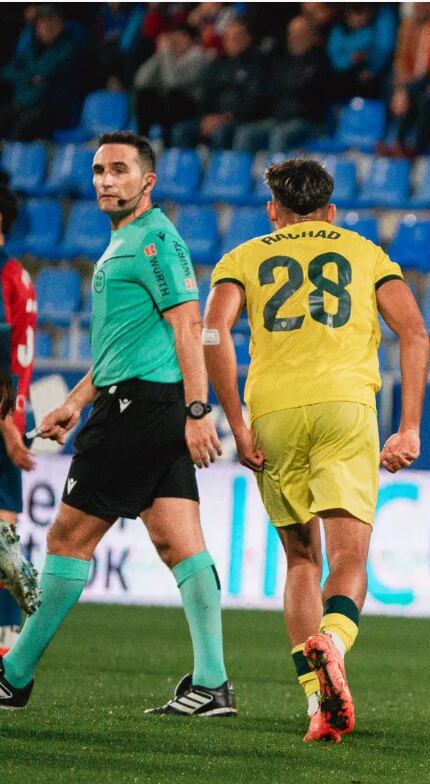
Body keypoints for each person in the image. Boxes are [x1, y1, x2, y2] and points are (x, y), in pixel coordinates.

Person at [0, 133, 233, 714]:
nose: (107, 180)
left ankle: (13, 675)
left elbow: (188, 325)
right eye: (100, 170)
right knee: (178, 542)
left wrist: (200, 411)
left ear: (147, 181)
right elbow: (121, 346)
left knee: (66, 539)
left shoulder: (154, 239)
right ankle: (211, 682)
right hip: (141, 405)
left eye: (120, 170)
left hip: (140, 411)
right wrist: (76, 402)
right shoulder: (124, 241)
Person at [203, 158, 428, 743]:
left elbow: (212, 332)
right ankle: (335, 639)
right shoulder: (365, 252)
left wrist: (234, 420)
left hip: (274, 411)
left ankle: (315, 702)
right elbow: (416, 332)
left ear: (272, 211)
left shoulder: (242, 258)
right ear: (331, 211)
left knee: (301, 558)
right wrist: (408, 427)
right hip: (346, 408)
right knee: (348, 556)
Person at [0, 183, 37, 652]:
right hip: (12, 413)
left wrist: (7, 429)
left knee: (3, 532)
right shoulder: (18, 275)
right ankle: (10, 632)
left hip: (2, 417)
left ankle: (11, 632)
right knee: (4, 526)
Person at [233, 15, 332, 153]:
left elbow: (309, 92)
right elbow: (273, 88)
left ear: (311, 36)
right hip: (279, 119)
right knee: (246, 133)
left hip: (307, 122)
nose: (294, 38)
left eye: (300, 34)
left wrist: (290, 87)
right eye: (291, 34)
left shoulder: (320, 62)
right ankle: (238, 173)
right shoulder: (282, 61)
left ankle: (280, 175)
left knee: (279, 135)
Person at [171, 20, 266, 149]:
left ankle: (221, 168)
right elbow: (207, 94)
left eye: (237, 38)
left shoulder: (257, 65)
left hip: (241, 119)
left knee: (221, 132)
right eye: (228, 38)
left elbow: (255, 100)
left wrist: (226, 117)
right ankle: (185, 168)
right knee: (181, 130)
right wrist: (207, 117)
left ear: (247, 39)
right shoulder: (217, 65)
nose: (233, 42)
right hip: (214, 118)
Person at [0, 5, 83, 140]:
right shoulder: (29, 48)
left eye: (52, 21)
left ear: (60, 24)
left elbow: (47, 73)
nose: (47, 26)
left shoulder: (68, 48)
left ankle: (17, 159)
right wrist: (29, 77)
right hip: (24, 104)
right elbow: (7, 72)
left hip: (53, 109)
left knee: (23, 128)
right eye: (43, 22)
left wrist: (27, 76)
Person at [133, 24, 212, 139]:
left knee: (171, 96)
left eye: (181, 38)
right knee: (145, 94)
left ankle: (167, 142)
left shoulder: (199, 57)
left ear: (193, 40)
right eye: (175, 38)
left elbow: (173, 83)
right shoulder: (169, 57)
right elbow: (140, 81)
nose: (176, 42)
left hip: (192, 106)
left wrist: (166, 54)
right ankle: (143, 139)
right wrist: (159, 54)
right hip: (171, 105)